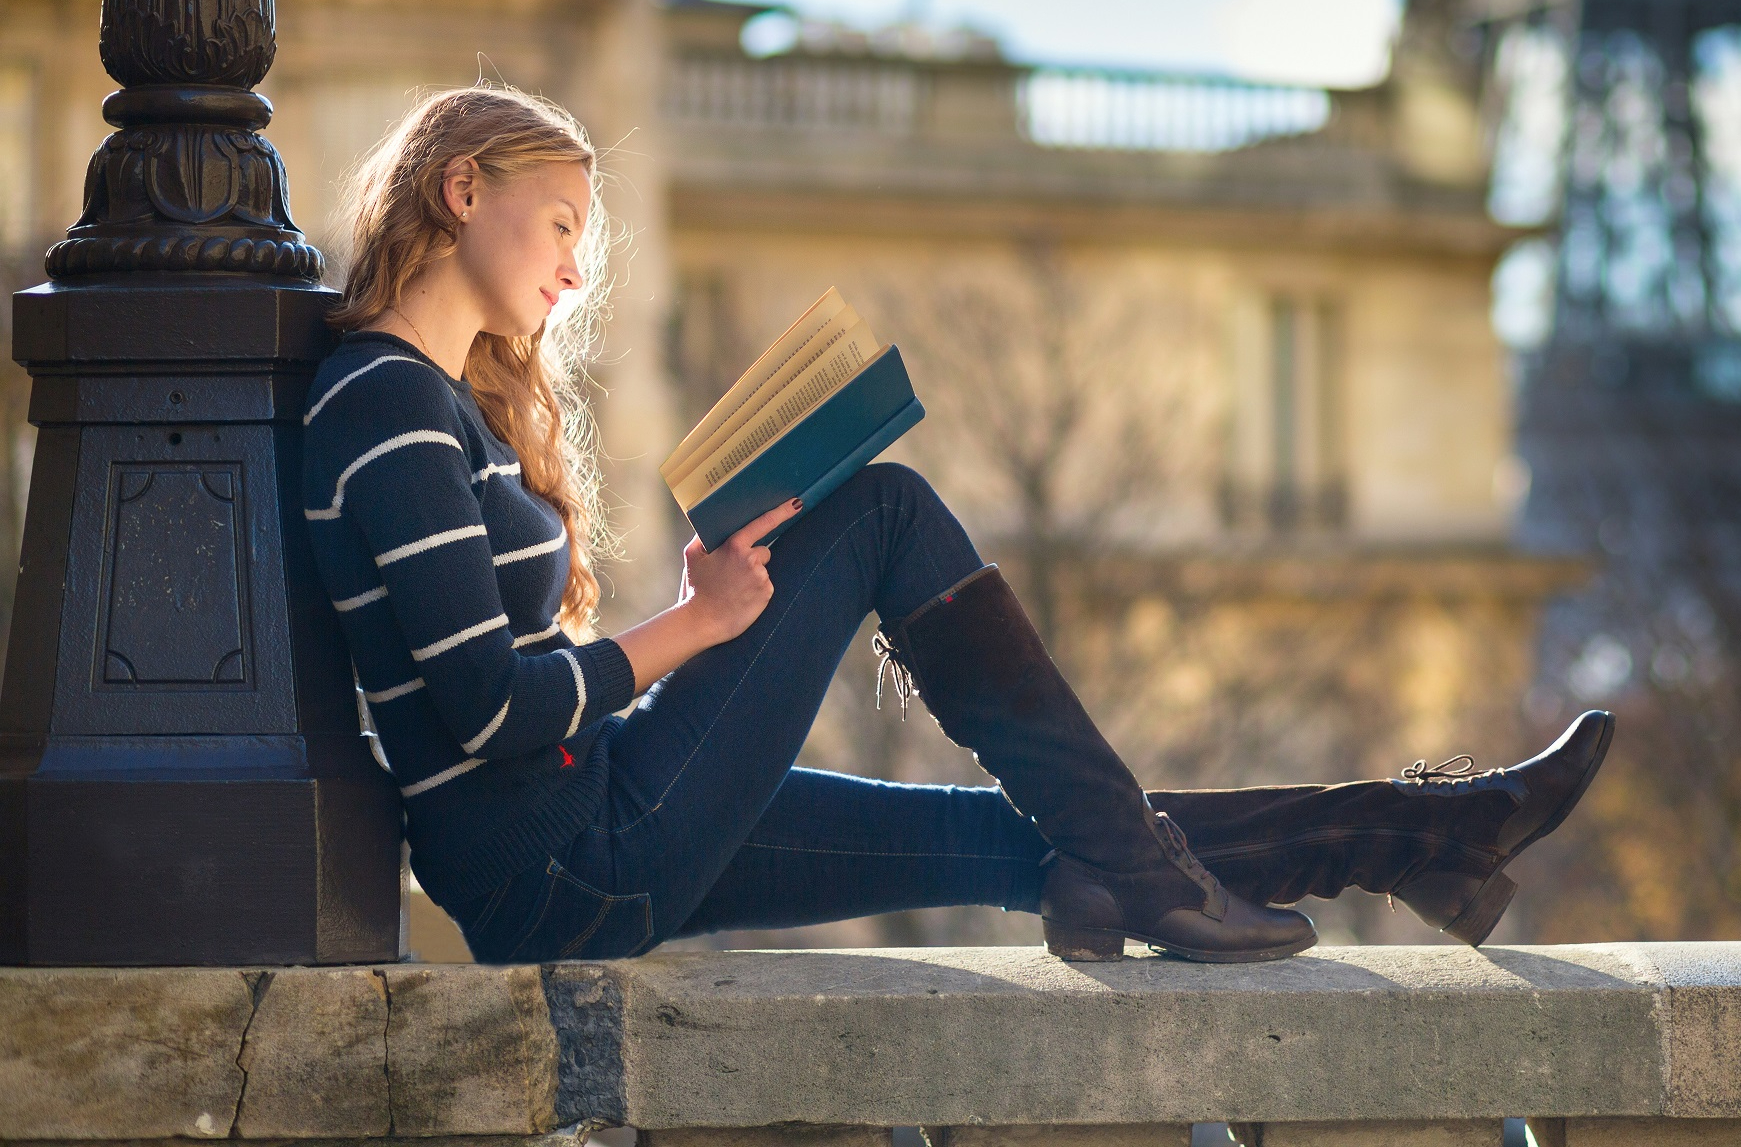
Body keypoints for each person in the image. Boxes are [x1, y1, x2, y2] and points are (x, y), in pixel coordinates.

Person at [301, 84, 1614, 964]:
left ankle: (1414, 839)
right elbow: (486, 709)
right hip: (564, 861)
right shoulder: (388, 407)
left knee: (1036, 845)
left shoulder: (427, 406)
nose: (578, 266)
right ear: (463, 190)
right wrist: (693, 627)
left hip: (591, 822)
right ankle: (1350, 848)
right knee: (877, 509)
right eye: (563, 223)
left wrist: (700, 620)